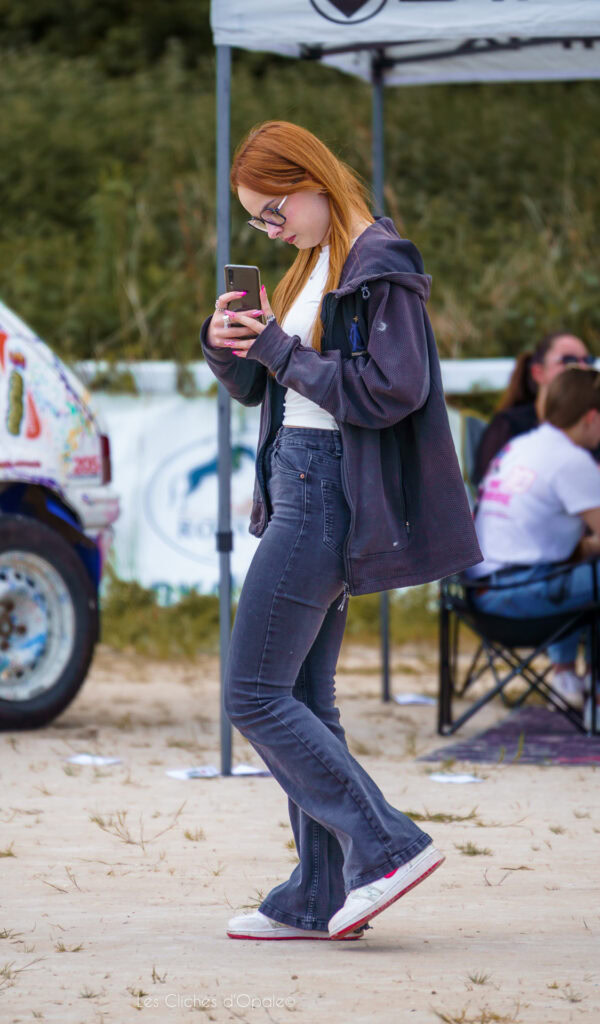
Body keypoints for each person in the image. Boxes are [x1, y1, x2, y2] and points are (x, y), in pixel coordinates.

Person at [200, 121, 481, 942]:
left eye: (273, 209)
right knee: (298, 696)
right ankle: (318, 895)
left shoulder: (376, 262)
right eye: (255, 219)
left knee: (252, 693)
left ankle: (386, 847)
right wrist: (231, 346)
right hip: (301, 480)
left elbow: (393, 388)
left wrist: (281, 348)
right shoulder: (312, 266)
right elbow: (270, 386)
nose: (269, 228)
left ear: (314, 180)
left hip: (324, 490)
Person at [468, 367, 600, 714]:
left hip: (478, 593)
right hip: (516, 596)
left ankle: (568, 679)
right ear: (591, 417)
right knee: (589, 577)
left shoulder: (522, 446)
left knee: (578, 569)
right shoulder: (572, 461)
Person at [471, 332, 594, 488]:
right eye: (569, 360)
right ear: (538, 372)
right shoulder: (509, 425)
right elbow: (487, 488)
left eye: (588, 360)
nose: (582, 367)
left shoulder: (593, 426)